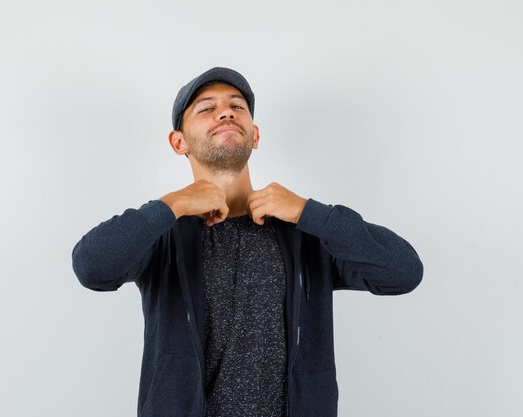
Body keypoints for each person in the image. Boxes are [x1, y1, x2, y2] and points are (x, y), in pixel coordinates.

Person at [71, 67, 423, 417]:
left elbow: (403, 272)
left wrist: (307, 212)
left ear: (254, 135)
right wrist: (173, 204)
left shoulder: (304, 233)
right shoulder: (164, 235)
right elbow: (92, 266)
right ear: (179, 142)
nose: (225, 111)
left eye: (236, 106)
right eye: (206, 108)